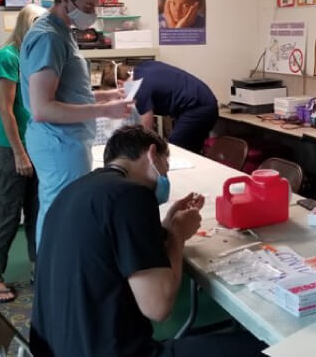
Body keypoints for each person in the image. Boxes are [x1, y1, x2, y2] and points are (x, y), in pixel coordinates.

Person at [30, 125, 267, 357]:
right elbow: (158, 307)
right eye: (166, 166)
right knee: (268, 348)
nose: (164, 176)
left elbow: (118, 247)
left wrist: (166, 226)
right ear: (153, 154)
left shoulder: (77, 190)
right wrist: (177, 235)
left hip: (54, 347)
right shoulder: (132, 195)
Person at [19, 0, 134, 248]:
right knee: (62, 210)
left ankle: (55, 265)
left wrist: (107, 96)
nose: (92, 13)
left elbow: (68, 95)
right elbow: (43, 109)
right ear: (65, 0)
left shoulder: (62, 32)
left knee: (62, 208)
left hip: (65, 141)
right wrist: (105, 111)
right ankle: (54, 268)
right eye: (88, 6)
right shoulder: (48, 37)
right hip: (58, 143)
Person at [0, 4, 46, 303]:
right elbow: (6, 111)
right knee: (8, 214)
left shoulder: (33, 57)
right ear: (25, 26)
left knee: (37, 212)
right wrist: (20, 154)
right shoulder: (6, 58)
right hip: (9, 148)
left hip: (34, 146)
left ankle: (39, 266)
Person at [101, 60, 218, 153]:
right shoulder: (144, 67)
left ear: (120, 84)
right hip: (202, 99)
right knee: (189, 150)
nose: (120, 99)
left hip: (199, 107)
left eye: (116, 95)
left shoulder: (139, 88)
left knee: (177, 150)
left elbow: (146, 130)